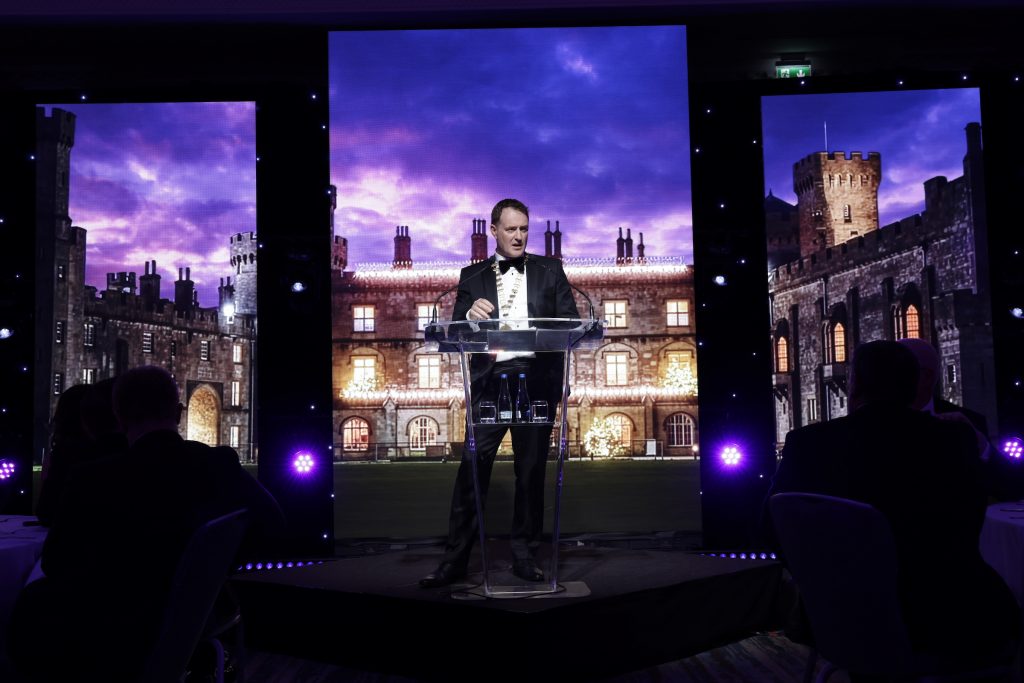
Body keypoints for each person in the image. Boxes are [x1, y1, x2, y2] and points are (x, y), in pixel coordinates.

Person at [8, 365, 284, 681]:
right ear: (179, 413)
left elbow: (58, 562)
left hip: (109, 632)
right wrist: (214, 568)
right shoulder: (217, 463)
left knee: (31, 604)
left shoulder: (92, 478)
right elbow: (273, 523)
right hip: (195, 619)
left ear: (119, 415)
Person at [766, 341, 1019, 668]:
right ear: (915, 384)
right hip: (949, 619)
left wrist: (825, 582)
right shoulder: (954, 441)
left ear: (855, 384)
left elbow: (771, 529)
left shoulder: (809, 443)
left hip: (840, 619)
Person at [420, 198, 579, 588]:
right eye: (511, 229)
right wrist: (469, 317)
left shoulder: (550, 269)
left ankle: (525, 557)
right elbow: (456, 329)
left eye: (524, 228)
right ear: (494, 231)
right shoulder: (470, 276)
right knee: (472, 472)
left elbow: (571, 322)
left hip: (537, 378)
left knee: (530, 473)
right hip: (490, 382)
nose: (519, 236)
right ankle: (455, 561)